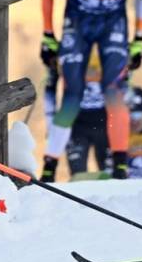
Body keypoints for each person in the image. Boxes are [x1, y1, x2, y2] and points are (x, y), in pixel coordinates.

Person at [39, 0, 142, 181]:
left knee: (114, 90)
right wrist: (48, 35)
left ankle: (121, 165)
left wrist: (139, 39)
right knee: (72, 93)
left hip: (113, 25)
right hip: (78, 26)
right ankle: (49, 168)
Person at [45, 45, 111, 179]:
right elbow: (50, 92)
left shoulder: (106, 51)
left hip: (104, 125)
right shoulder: (68, 53)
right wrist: (51, 126)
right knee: (78, 176)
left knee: (111, 176)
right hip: (76, 127)